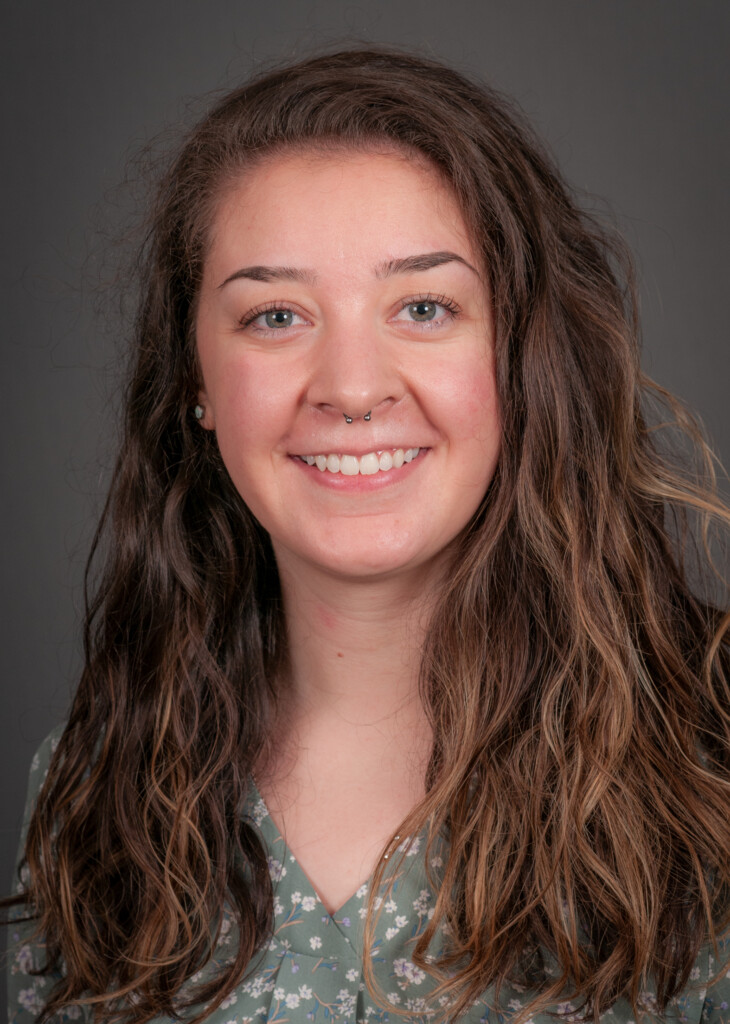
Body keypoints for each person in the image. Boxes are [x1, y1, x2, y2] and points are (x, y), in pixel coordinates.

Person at [4, 47, 730, 1024]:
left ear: (523, 354)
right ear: (196, 385)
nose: (351, 386)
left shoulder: (711, 754)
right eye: (274, 315)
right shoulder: (88, 787)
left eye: (423, 307)